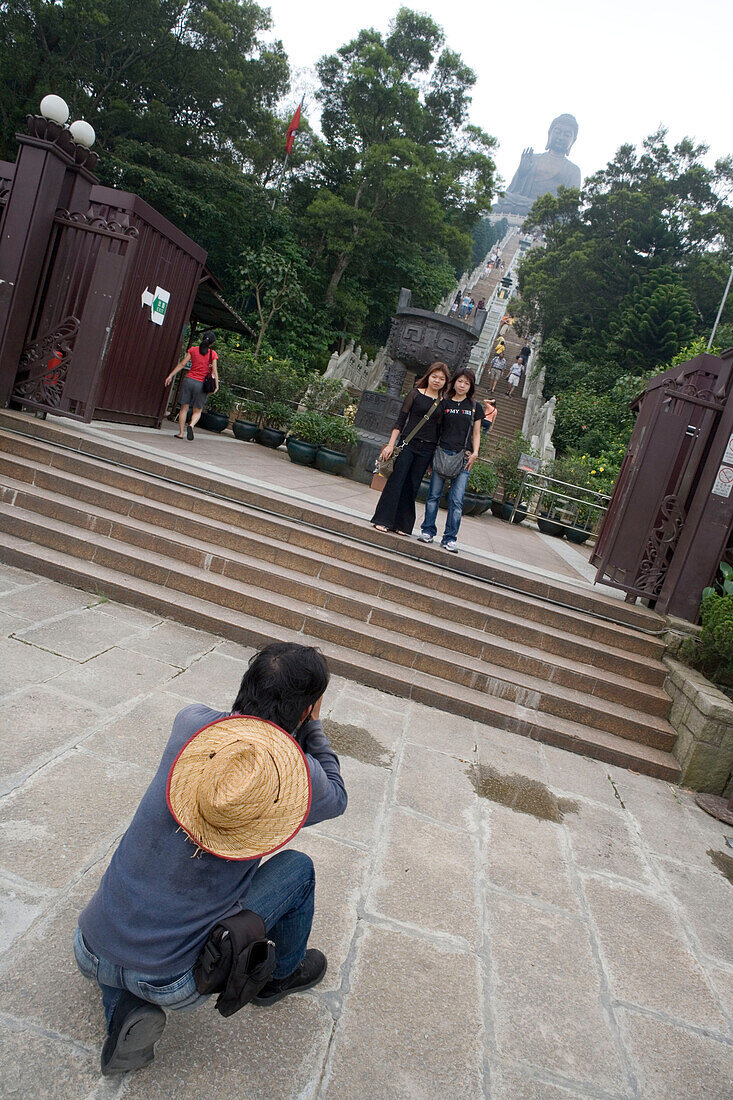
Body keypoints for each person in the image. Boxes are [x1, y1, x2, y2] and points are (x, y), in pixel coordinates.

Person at [73, 642, 346, 1076]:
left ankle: (120, 1000)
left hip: (87, 945)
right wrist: (311, 729)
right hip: (177, 982)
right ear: (307, 708)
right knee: (298, 868)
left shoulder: (191, 725)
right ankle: (279, 979)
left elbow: (236, 724)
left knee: (140, 912)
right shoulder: (302, 778)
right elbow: (339, 792)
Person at [371, 363, 450, 536]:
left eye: (441, 379)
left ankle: (403, 525)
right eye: (434, 377)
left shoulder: (443, 403)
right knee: (396, 481)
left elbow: (440, 431)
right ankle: (383, 520)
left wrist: (433, 458)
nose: (437, 381)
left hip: (427, 449)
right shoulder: (415, 394)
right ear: (428, 376)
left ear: (445, 382)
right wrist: (391, 444)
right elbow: (400, 420)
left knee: (412, 485)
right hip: (408, 444)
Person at [417, 369, 483, 553]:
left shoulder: (474, 406)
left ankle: (450, 538)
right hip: (441, 453)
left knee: (457, 500)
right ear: (454, 382)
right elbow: (435, 429)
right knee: (433, 496)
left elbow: (477, 433)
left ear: (471, 387)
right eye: (460, 381)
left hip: (463, 457)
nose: (462, 385)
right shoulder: (443, 403)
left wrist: (475, 453)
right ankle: (428, 531)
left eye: (467, 383)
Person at [164, 330, 219, 441]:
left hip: (188, 381)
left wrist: (170, 375)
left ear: (203, 338)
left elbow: (182, 364)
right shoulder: (213, 354)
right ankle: (191, 425)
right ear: (212, 343)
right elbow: (214, 370)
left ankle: (180, 433)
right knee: (197, 410)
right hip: (201, 385)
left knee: (184, 408)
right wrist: (216, 385)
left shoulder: (193, 350)